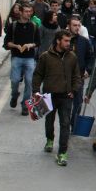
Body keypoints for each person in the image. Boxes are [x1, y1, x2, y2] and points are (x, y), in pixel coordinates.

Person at [32, 30, 82, 167]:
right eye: (66, 41)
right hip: (49, 95)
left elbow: (77, 76)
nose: (68, 43)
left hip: (66, 96)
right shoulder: (45, 57)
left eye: (69, 41)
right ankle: (49, 139)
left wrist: (74, 90)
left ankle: (62, 153)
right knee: (49, 121)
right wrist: (36, 92)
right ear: (58, 41)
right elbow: (37, 75)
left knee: (65, 124)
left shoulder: (72, 57)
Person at [4, 4, 41, 116]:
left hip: (30, 58)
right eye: (26, 11)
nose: (28, 13)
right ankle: (14, 95)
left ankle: (25, 105)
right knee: (15, 80)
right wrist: (16, 46)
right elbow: (6, 43)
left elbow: (38, 42)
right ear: (20, 12)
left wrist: (31, 45)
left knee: (29, 82)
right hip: (17, 57)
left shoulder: (34, 26)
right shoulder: (13, 26)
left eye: (30, 11)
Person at [67, 16, 94, 128]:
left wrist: (88, 70)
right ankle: (65, 124)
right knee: (66, 104)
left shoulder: (84, 41)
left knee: (78, 103)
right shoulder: (63, 40)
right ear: (69, 26)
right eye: (74, 25)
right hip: (64, 77)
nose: (77, 28)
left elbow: (91, 57)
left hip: (79, 77)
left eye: (79, 25)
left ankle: (73, 124)